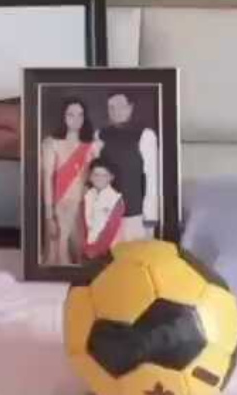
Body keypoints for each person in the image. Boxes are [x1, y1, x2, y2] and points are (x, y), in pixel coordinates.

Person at [40, 98, 102, 265]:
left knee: (83, 257)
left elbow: (96, 179)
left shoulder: (91, 146)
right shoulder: (51, 143)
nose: (76, 119)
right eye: (71, 114)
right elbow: (47, 180)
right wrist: (48, 216)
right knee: (59, 256)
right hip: (60, 208)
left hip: (83, 208)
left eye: (80, 115)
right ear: (63, 117)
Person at [95, 92, 159, 241]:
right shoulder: (99, 135)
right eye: (111, 107)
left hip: (136, 215)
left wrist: (150, 216)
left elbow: (152, 177)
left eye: (120, 106)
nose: (115, 111)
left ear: (130, 108)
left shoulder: (145, 135)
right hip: (107, 213)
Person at [78, 159, 125, 261]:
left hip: (108, 252)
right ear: (90, 177)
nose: (99, 178)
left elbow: (110, 230)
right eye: (96, 175)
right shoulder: (87, 196)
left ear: (111, 177)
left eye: (104, 175)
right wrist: (85, 248)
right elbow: (83, 226)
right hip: (87, 251)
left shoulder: (115, 199)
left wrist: (95, 250)